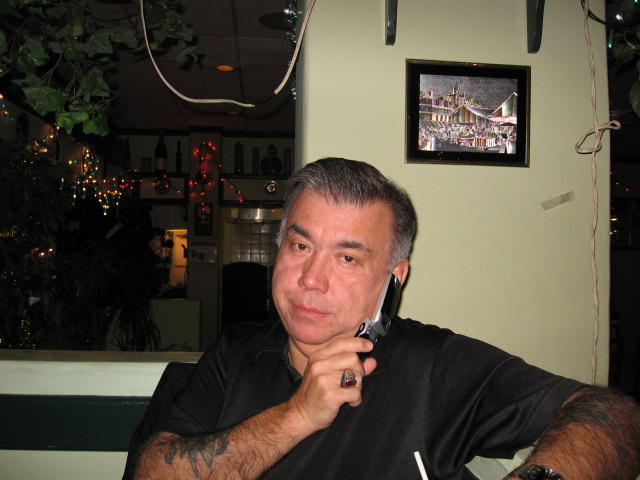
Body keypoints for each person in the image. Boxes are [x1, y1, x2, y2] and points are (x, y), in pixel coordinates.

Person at [133, 158, 640, 480]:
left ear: (393, 279)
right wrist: (296, 416)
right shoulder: (236, 350)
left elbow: (615, 415)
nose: (311, 278)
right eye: (301, 246)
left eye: (347, 257)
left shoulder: (431, 366)